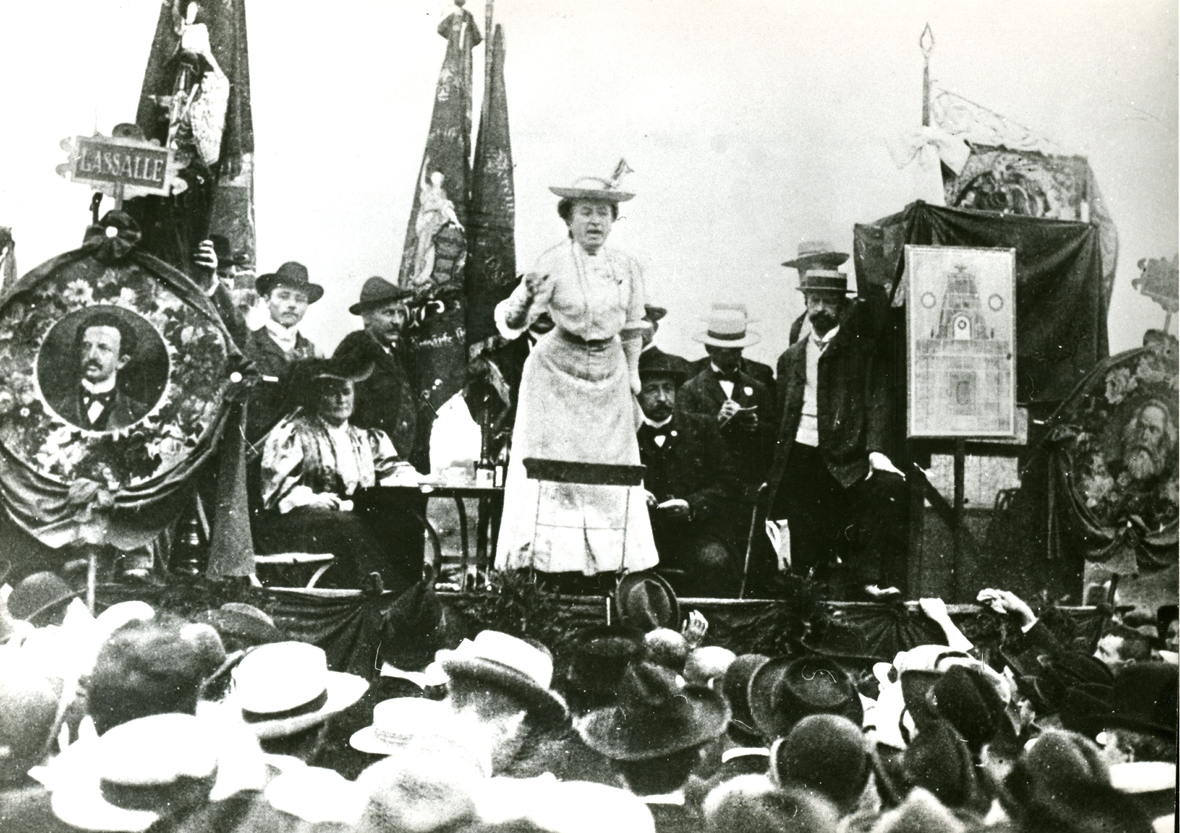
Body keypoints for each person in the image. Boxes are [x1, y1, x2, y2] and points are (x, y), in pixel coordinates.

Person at [492, 171, 658, 581]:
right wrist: (528, 295)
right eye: (586, 212)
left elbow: (635, 325)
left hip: (610, 374)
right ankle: (548, 566)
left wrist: (633, 376)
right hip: (555, 372)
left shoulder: (627, 267)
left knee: (609, 473)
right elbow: (511, 322)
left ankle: (611, 568)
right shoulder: (552, 262)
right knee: (553, 471)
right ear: (568, 218)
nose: (595, 221)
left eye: (604, 212)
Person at [765, 269, 906, 600]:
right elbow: (783, 414)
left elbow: (877, 402)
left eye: (828, 301)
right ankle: (806, 597)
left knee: (854, 516)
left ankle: (862, 585)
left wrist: (874, 449)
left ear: (842, 307)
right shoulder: (791, 357)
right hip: (799, 453)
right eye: (814, 300)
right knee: (802, 532)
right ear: (805, 302)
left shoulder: (863, 352)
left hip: (844, 454)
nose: (820, 309)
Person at [255, 356, 423, 589]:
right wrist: (312, 500)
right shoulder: (295, 433)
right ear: (317, 396)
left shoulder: (366, 438)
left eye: (346, 392)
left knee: (402, 520)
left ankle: (407, 587)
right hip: (299, 522)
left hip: (347, 519)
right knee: (345, 524)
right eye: (331, 393)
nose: (340, 399)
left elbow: (392, 468)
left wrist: (421, 478)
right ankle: (378, 588)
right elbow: (278, 487)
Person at [636, 352, 742, 596]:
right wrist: (636, 494)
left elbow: (729, 483)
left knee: (715, 561)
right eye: (652, 389)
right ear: (637, 393)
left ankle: (707, 627)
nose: (662, 398)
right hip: (643, 536)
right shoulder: (626, 433)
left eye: (668, 389)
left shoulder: (703, 428)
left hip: (695, 534)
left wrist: (691, 506)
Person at [333, 277, 429, 474]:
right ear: (367, 317)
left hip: (404, 465)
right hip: (370, 467)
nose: (396, 321)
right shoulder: (354, 352)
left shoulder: (399, 355)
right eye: (388, 313)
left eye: (400, 313)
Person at [679, 302, 776, 497]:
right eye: (725, 350)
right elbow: (684, 437)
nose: (733, 354)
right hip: (709, 484)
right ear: (710, 349)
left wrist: (756, 426)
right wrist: (716, 422)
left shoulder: (758, 387)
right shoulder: (690, 389)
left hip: (748, 482)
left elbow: (774, 433)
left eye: (737, 349)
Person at [245, 261, 323, 442]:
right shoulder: (248, 345)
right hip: (255, 449)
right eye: (284, 296)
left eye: (300, 299)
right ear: (266, 299)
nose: (292, 305)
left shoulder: (314, 353)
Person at [51, 310, 150, 432]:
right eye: (86, 346)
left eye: (103, 348)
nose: (91, 355)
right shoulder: (54, 406)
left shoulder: (138, 413)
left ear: (122, 361)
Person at [781, 240, 851, 345]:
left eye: (810, 269)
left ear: (832, 269)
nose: (805, 277)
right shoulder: (797, 327)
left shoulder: (856, 316)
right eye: (801, 271)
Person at [639, 304, 695, 385]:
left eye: (642, 322)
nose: (635, 329)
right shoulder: (619, 361)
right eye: (628, 323)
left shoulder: (675, 364)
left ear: (655, 328)